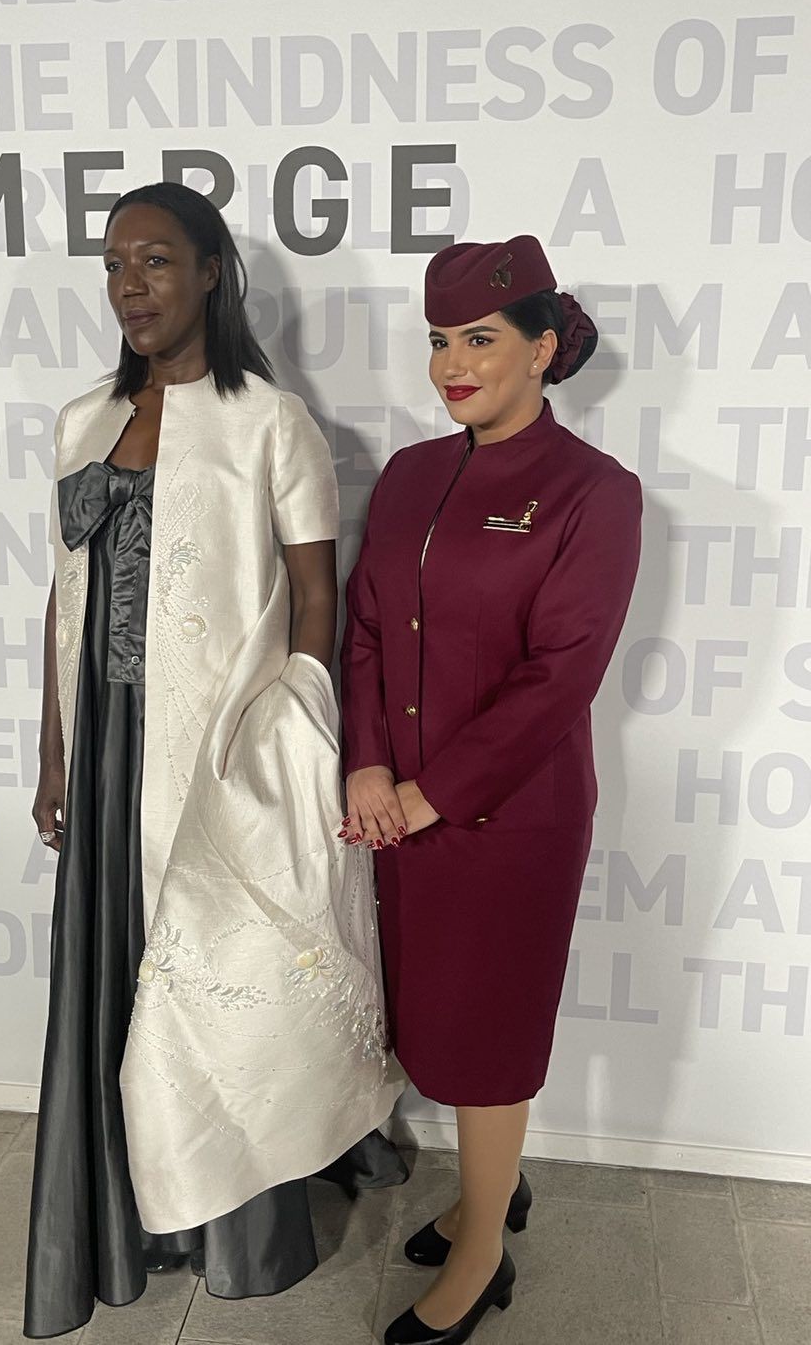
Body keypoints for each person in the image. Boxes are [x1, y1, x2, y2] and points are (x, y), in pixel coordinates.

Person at [24, 181, 404, 1340]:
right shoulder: (82, 419)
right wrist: (53, 751)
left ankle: (237, 1225)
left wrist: (291, 734)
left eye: (153, 261)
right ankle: (131, 1213)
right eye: (112, 265)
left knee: (219, 973)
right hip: (107, 748)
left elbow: (316, 598)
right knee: (120, 970)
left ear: (210, 274)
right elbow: (65, 596)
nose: (129, 286)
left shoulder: (270, 422)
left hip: (222, 744)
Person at [340, 235, 642, 1345]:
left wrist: (434, 792)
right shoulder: (412, 476)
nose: (451, 366)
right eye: (437, 341)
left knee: (489, 1028)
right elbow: (367, 628)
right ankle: (487, 1194)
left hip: (512, 818)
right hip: (399, 808)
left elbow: (562, 674)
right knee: (435, 1016)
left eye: (478, 339)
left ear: (543, 348)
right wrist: (370, 764)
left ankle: (481, 1254)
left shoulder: (596, 493)